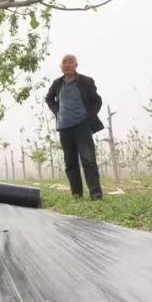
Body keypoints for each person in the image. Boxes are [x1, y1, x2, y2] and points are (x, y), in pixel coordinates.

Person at [45, 54, 104, 200]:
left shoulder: (86, 81)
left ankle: (95, 194)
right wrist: (57, 112)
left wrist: (89, 116)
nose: (67, 65)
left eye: (70, 62)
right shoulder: (57, 83)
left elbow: (97, 101)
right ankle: (76, 195)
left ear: (76, 65)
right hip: (64, 127)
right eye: (64, 62)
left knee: (88, 160)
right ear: (61, 66)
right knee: (70, 163)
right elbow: (48, 98)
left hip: (82, 126)